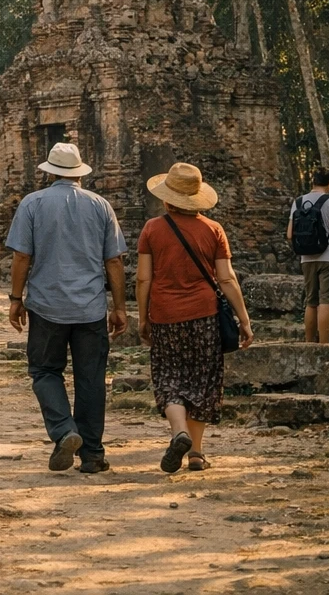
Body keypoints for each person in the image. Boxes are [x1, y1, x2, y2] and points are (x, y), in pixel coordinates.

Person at [5, 142, 128, 474]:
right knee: (91, 379)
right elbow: (114, 261)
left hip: (46, 306)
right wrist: (119, 307)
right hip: (90, 308)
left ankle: (64, 431)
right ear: (79, 174)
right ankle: (92, 455)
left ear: (49, 173)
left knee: (45, 371)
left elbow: (21, 257)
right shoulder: (101, 206)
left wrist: (16, 299)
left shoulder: (32, 204)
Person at [136, 162, 253, 473]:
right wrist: (243, 318)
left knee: (169, 378)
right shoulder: (213, 230)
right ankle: (197, 454)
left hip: (164, 315)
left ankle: (180, 433)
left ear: (166, 198)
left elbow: (144, 279)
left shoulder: (152, 229)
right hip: (205, 316)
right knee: (203, 380)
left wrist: (142, 317)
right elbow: (226, 279)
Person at [287, 167, 329, 344]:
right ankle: (324, 345)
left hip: (307, 258)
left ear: (312, 182)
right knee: (326, 300)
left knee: (311, 301)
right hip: (328, 257)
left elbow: (290, 234)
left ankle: (309, 342)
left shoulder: (298, 202)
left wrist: (304, 246)